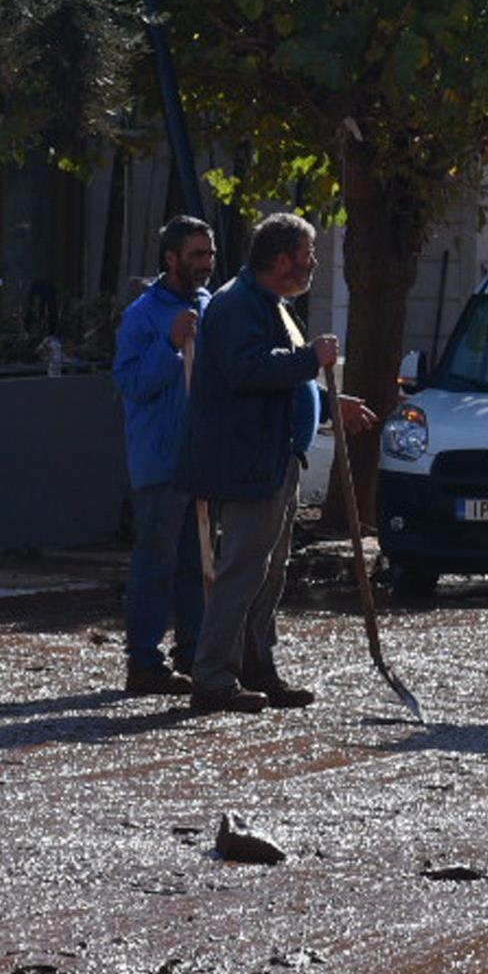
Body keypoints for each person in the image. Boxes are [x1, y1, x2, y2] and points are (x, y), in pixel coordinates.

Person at [179, 212, 371, 711]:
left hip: (274, 457)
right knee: (243, 571)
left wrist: (329, 403)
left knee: (269, 573)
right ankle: (213, 677)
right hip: (247, 459)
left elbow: (283, 381)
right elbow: (246, 371)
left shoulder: (271, 305)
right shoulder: (236, 305)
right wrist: (311, 359)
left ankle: (257, 668)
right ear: (283, 260)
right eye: (309, 255)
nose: (313, 264)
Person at [112, 216, 220, 697]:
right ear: (171, 258)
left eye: (210, 253)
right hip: (160, 461)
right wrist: (170, 345)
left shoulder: (210, 306)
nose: (206, 263)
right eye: (197, 254)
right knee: (155, 563)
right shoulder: (143, 315)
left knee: (199, 561)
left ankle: (194, 655)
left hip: (201, 458)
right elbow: (131, 383)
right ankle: (144, 662)